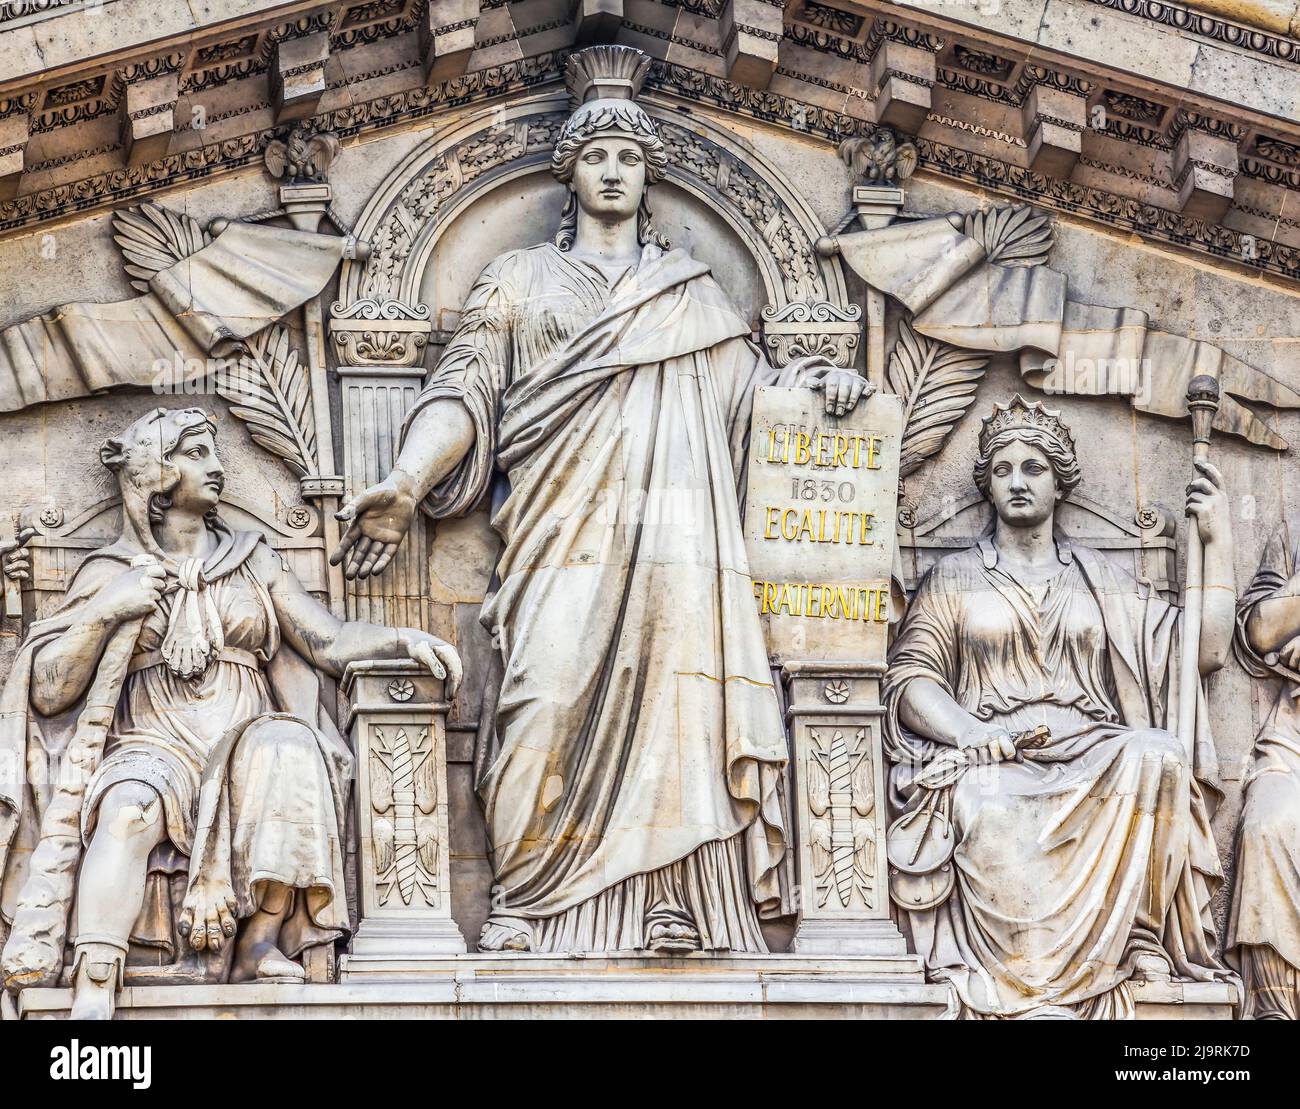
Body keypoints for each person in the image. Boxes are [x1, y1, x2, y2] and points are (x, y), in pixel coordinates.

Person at [330, 45, 871, 954]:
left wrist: (825, 388)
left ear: (647, 175)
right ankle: (530, 902)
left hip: (680, 547)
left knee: (681, 712)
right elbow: (464, 392)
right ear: (568, 172)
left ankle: (677, 906)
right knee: (540, 696)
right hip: (558, 534)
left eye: (627, 157)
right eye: (595, 156)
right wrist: (406, 483)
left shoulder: (691, 294)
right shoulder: (520, 279)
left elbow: (757, 404)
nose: (612, 170)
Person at [0, 407, 460, 1019]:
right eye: (196, 453)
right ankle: (95, 975)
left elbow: (324, 640)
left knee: (291, 748)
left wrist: (401, 640)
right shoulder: (109, 572)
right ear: (156, 472)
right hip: (150, 740)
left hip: (245, 737)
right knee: (126, 807)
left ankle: (258, 941)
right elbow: (50, 691)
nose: (217, 469)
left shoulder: (253, 558)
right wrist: (103, 611)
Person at [882, 394, 1234, 1018]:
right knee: (984, 800)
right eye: (1002, 469)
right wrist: (967, 732)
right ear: (987, 485)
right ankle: (1029, 983)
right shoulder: (955, 579)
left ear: (1060, 478)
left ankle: (1140, 939)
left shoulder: (1103, 579)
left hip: (1093, 752)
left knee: (1160, 756)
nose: (1017, 481)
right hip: (993, 756)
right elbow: (910, 679)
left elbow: (1201, 653)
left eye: (1033, 467)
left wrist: (1219, 537)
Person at [1227, 516, 1300, 1018]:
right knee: (1266, 825)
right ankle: (1275, 1007)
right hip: (1293, 737)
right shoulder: (1293, 531)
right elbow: (1261, 629)